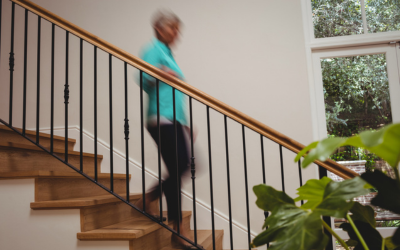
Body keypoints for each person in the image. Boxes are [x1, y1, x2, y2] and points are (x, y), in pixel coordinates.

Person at [136, 10, 196, 250]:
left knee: (184, 166)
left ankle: (148, 199)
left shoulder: (167, 53)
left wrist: (185, 123)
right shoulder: (153, 49)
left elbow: (173, 93)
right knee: (180, 167)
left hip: (174, 119)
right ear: (160, 29)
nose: (176, 33)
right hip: (160, 118)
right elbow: (141, 78)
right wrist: (160, 73)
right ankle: (178, 231)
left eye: (178, 29)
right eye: (173, 28)